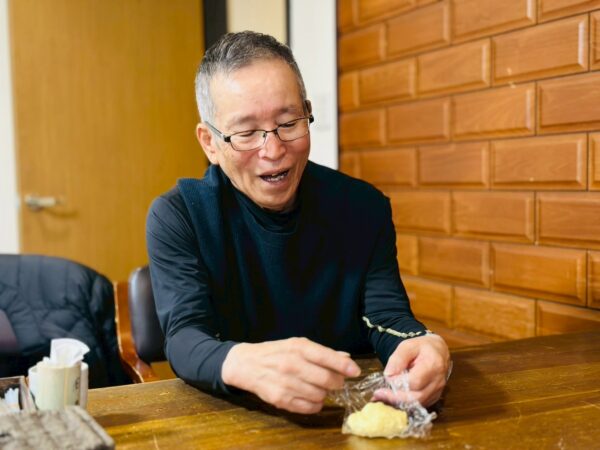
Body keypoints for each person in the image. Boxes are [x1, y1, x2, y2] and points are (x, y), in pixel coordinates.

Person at [146, 31, 451, 415]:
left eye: (289, 122)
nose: (273, 150)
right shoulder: (180, 216)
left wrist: (423, 344)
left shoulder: (362, 207)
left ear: (307, 113)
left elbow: (386, 317)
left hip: (342, 411)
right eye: (247, 133)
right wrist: (246, 363)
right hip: (236, 417)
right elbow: (185, 336)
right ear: (210, 142)